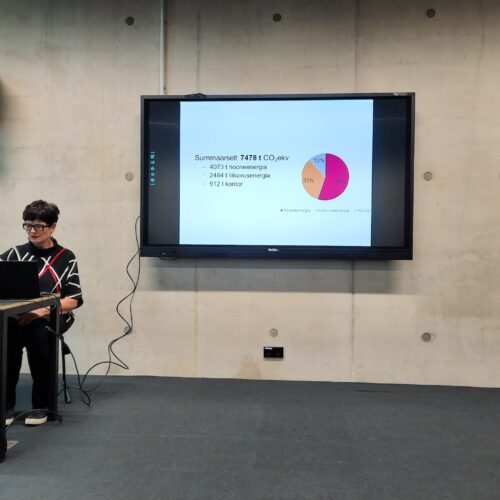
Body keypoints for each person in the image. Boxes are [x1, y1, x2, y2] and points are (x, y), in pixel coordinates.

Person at [0, 200, 83, 426]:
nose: (33, 231)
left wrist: (42, 310)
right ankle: (5, 407)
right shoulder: (13, 254)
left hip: (51, 315)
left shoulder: (66, 257)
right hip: (16, 316)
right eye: (28, 225)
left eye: (39, 226)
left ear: (53, 227)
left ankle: (41, 406)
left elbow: (74, 299)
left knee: (39, 335)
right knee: (6, 339)